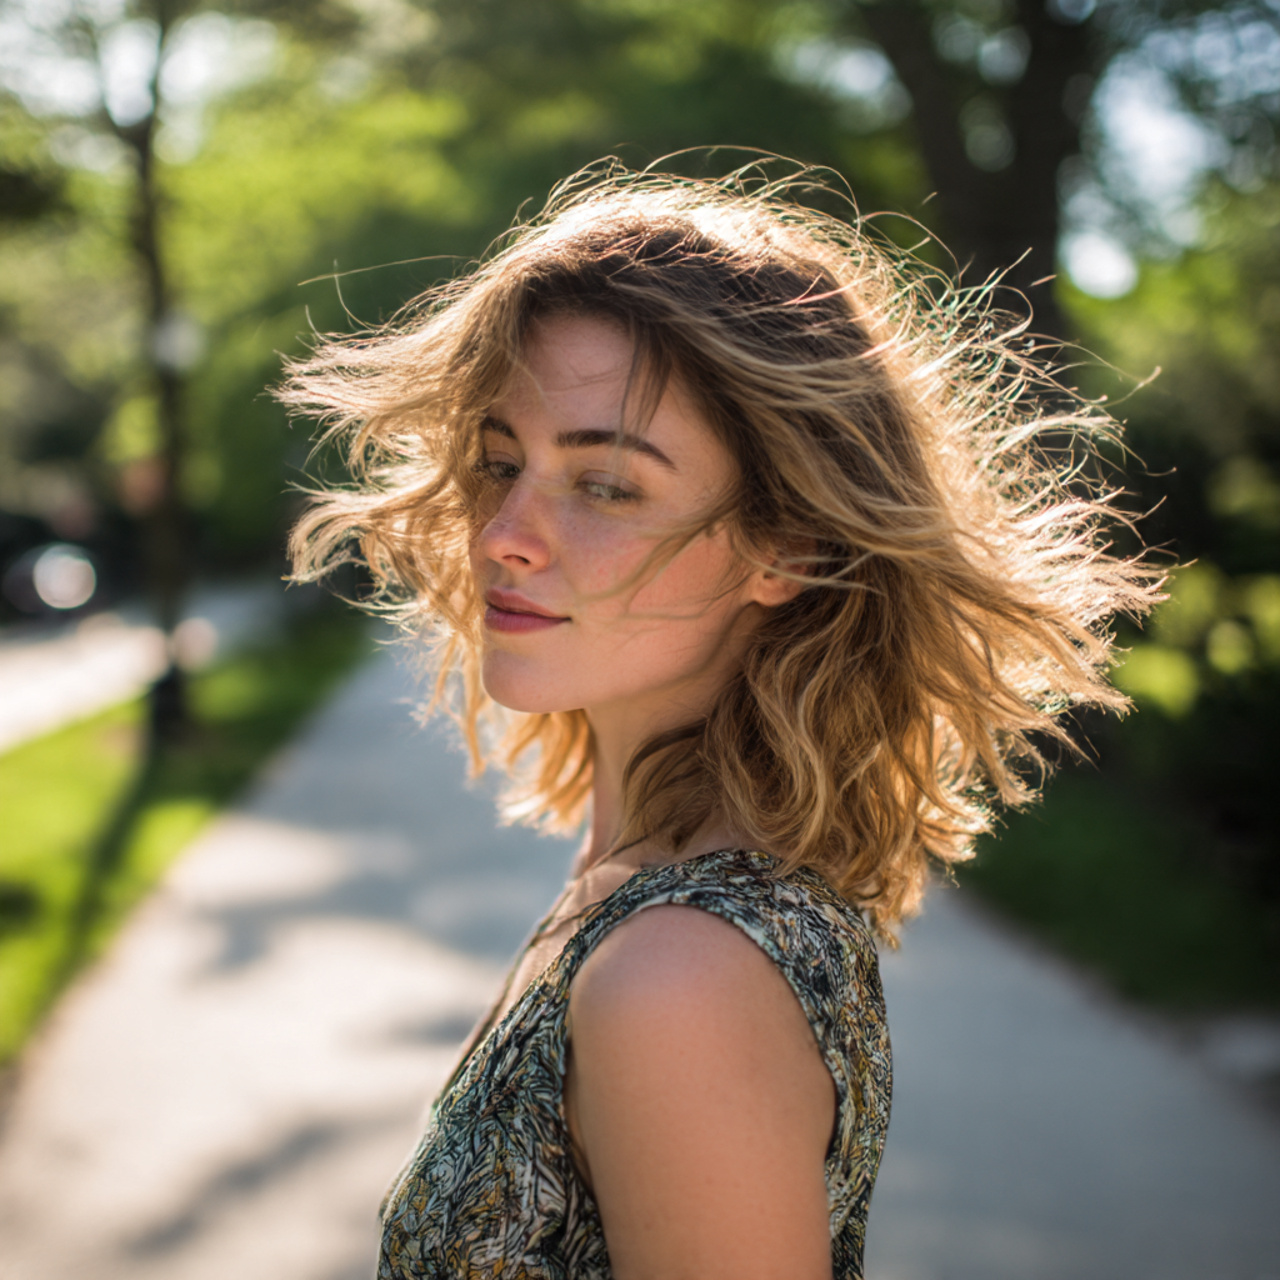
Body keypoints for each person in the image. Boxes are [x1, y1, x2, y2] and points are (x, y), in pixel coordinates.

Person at [278, 159, 1157, 1280]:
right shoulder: (642, 884)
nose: (504, 529)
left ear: (786, 545)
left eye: (605, 485)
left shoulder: (679, 976)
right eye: (502, 462)